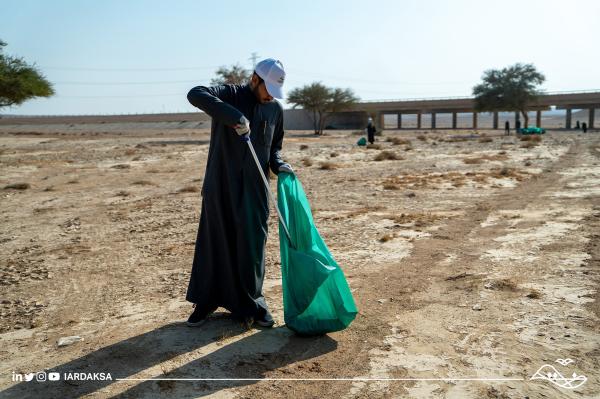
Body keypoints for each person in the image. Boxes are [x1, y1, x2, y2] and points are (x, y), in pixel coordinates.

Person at [185, 58, 293, 328]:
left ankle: (252, 304)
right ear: (254, 79)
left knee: (252, 245)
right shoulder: (230, 94)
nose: (270, 95)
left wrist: (279, 164)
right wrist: (234, 116)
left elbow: (274, 147)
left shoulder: (275, 110)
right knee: (216, 241)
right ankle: (207, 301)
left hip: (256, 186)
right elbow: (195, 93)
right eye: (266, 88)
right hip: (221, 182)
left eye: (274, 91)